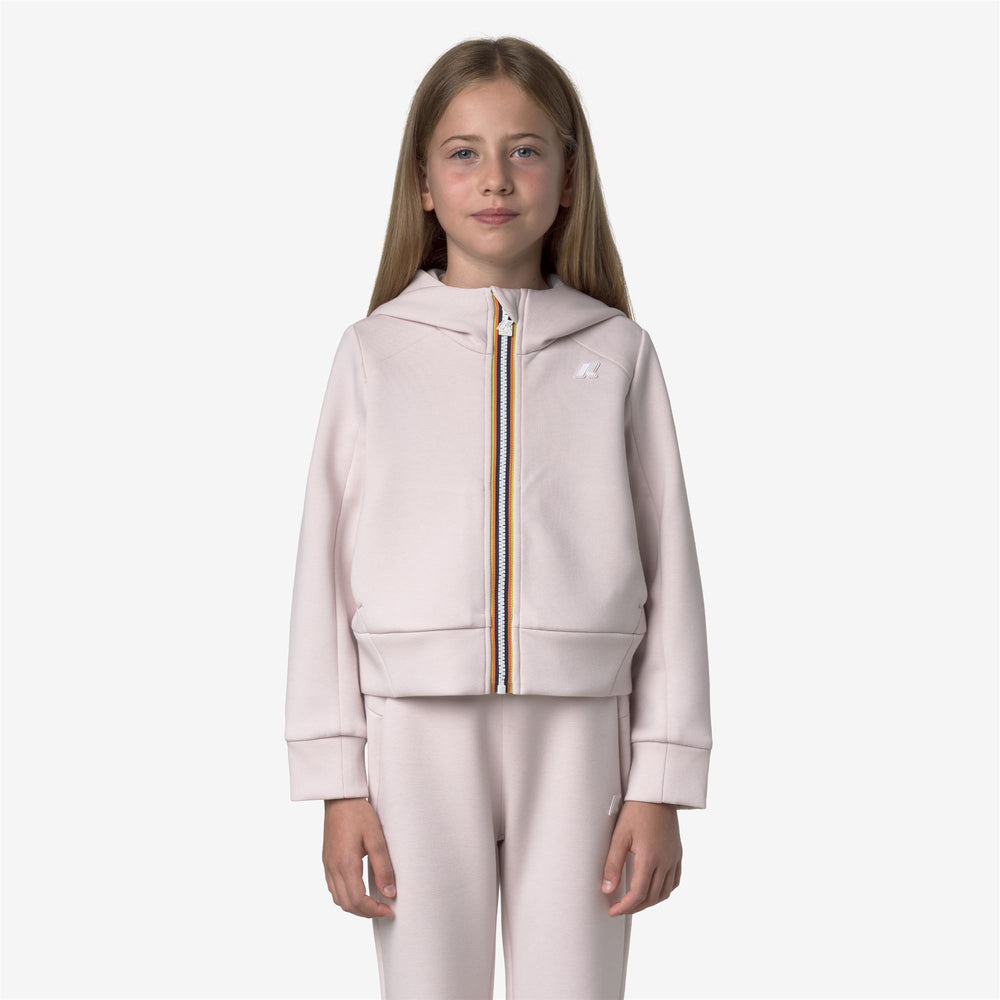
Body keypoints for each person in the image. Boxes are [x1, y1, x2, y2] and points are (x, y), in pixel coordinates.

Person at [284, 35, 713, 1000]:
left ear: (568, 179)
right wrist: (336, 779)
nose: (495, 178)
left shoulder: (619, 353)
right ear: (423, 184)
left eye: (525, 150)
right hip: (412, 737)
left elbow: (672, 570)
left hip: (582, 735)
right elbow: (324, 572)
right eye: (463, 152)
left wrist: (661, 780)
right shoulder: (374, 352)